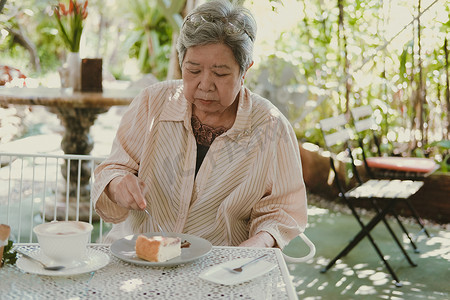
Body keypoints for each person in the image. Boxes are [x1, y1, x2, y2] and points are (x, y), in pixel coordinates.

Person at [92, 0, 308, 249]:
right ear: (181, 62)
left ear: (244, 70)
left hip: (219, 267)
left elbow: (282, 210)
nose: (205, 85)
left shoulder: (271, 127)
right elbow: (112, 170)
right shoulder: (152, 102)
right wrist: (118, 184)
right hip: (139, 254)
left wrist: (258, 243)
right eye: (193, 71)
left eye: (220, 74)